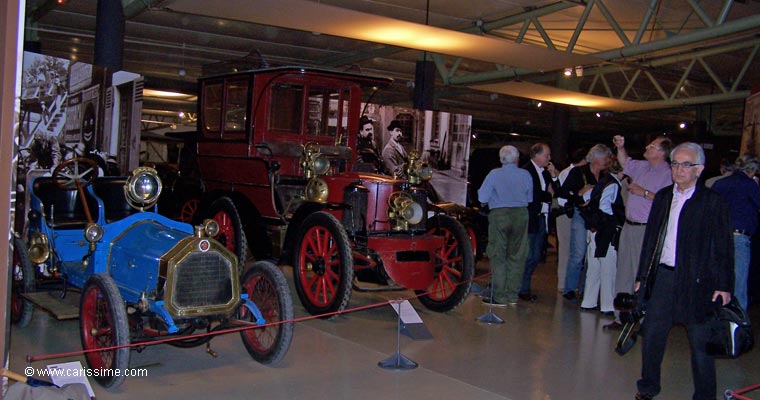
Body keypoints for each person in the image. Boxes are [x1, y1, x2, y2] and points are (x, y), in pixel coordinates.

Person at [634, 142, 733, 400]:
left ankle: (704, 395)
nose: (678, 170)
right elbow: (651, 240)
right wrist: (642, 277)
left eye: (685, 165)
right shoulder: (664, 197)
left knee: (701, 345)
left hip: (697, 281)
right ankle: (648, 386)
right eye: (675, 164)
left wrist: (723, 285)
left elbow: (723, 245)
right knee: (653, 336)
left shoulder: (712, 202)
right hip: (664, 277)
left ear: (699, 169)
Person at [605, 135, 672, 330]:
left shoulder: (668, 174)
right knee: (623, 272)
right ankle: (621, 316)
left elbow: (665, 201)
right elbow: (625, 161)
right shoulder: (642, 167)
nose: (647, 147)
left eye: (652, 146)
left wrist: (643, 192)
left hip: (646, 229)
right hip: (629, 226)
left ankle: (643, 320)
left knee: (641, 274)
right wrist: (621, 147)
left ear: (662, 153)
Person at [477, 145, 533, 306]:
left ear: (501, 159)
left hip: (499, 215)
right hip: (521, 215)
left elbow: (482, 197)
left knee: (498, 255)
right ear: (516, 159)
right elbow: (529, 198)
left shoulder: (494, 174)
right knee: (517, 255)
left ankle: (500, 296)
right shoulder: (525, 174)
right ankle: (512, 295)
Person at [556, 144, 612, 302]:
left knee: (592, 254)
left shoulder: (604, 176)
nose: (606, 162)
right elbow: (563, 192)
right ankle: (570, 288)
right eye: (605, 158)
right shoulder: (578, 172)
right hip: (581, 214)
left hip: (598, 216)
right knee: (578, 252)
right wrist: (579, 194)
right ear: (597, 157)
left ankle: (586, 288)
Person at [711, 155, 760, 310]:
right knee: (738, 285)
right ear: (752, 171)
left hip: (717, 237)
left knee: (717, 280)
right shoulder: (749, 185)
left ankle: (716, 320)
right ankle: (737, 325)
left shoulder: (719, 183)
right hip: (739, 238)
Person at [579, 158, 625, 315]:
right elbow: (604, 206)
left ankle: (589, 301)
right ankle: (607, 305)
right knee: (608, 270)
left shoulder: (602, 181)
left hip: (594, 231)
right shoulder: (613, 185)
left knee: (593, 268)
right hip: (606, 232)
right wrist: (615, 220)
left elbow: (586, 198)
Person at [518, 143, 558, 301]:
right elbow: (533, 196)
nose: (549, 158)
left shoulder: (546, 173)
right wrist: (547, 195)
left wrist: (554, 176)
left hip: (542, 217)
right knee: (528, 255)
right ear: (537, 155)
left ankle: (523, 287)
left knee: (536, 256)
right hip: (530, 218)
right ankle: (522, 288)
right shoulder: (527, 171)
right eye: (546, 155)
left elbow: (556, 190)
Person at [555, 148, 587, 293]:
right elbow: (562, 196)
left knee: (572, 250)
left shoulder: (570, 172)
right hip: (565, 214)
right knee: (566, 249)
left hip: (570, 214)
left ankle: (568, 282)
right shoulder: (569, 173)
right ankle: (563, 282)